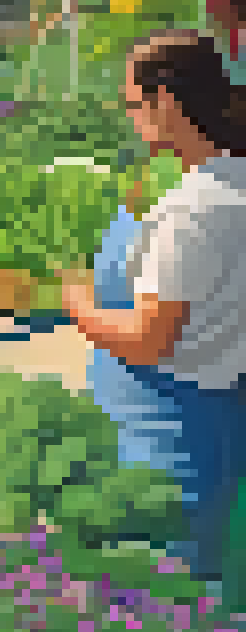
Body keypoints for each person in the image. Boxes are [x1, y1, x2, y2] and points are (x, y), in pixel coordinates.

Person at [63, 30, 246, 586]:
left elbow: (149, 339)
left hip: (166, 429)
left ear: (166, 101)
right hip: (219, 415)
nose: (131, 118)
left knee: (158, 585)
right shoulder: (231, 182)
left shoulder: (194, 210)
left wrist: (81, 308)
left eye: (132, 104)